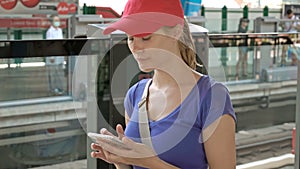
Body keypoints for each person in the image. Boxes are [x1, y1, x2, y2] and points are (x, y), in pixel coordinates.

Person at [90, 0, 237, 168]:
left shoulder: (212, 96)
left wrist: (151, 163)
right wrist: (121, 161)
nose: (135, 47)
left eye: (146, 38)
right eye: (131, 38)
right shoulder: (135, 95)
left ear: (175, 31)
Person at [46, 14, 65, 95]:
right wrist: (51, 56)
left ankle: (60, 88)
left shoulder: (60, 30)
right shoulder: (50, 32)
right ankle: (53, 89)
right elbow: (49, 44)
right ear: (52, 22)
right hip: (53, 56)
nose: (58, 22)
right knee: (53, 73)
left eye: (58, 20)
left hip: (60, 54)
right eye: (56, 20)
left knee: (60, 73)